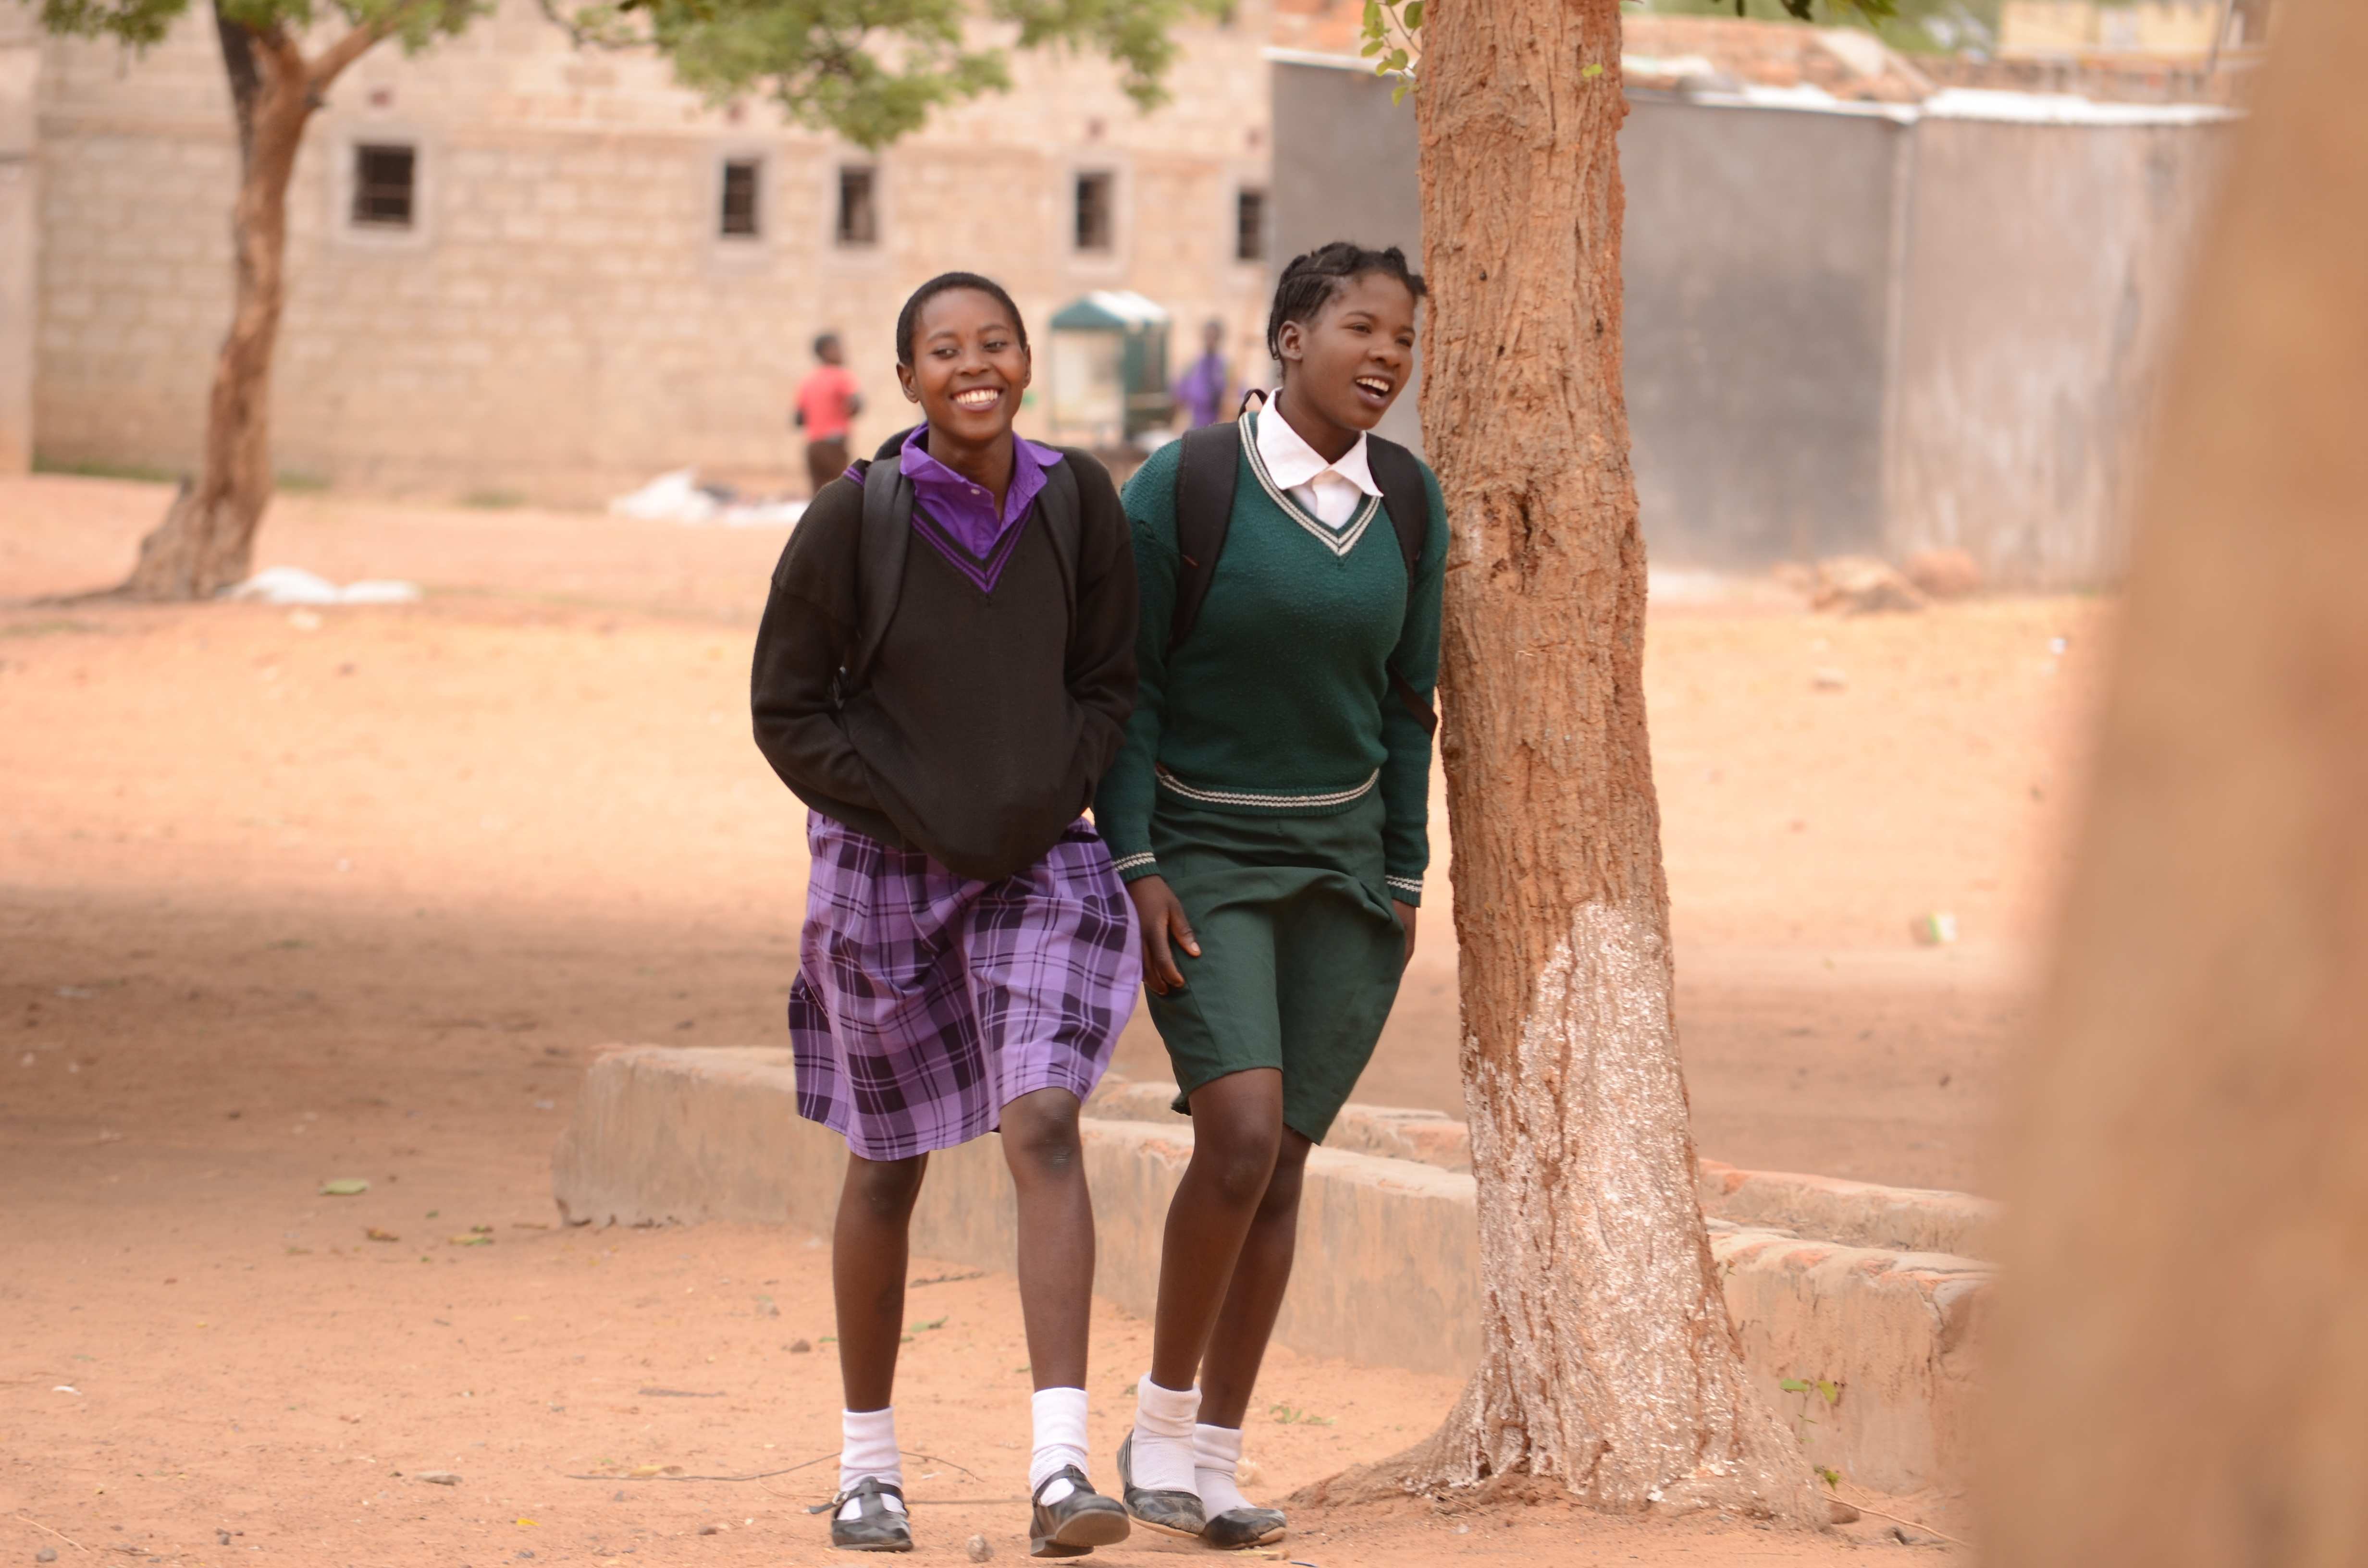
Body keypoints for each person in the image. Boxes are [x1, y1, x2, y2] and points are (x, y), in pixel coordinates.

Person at [751, 273, 1142, 1558]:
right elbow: (789, 709)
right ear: (908, 379)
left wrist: (1048, 786)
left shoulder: (1076, 499)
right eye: (944, 349)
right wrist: (910, 807)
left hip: (1038, 865)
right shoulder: (851, 519)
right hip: (884, 876)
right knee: (888, 1163)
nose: (974, 364)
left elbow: (1107, 676)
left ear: (1027, 363)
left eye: (996, 342)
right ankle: (868, 1468)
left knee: (1043, 1120)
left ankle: (1061, 1470)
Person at [1096, 243, 1443, 1550]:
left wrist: (1405, 871)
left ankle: (1222, 1459)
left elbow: (1410, 702)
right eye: (1362, 328)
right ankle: (1159, 1423)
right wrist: (1135, 864)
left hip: (1345, 873)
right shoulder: (1184, 487)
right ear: (1290, 337)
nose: (1388, 358)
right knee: (1238, 1135)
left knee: (1288, 1161)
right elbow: (1126, 691)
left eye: (1404, 339)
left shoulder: (1408, 501)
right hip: (1203, 864)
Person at [793, 332, 864, 496]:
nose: (842, 352)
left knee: (818, 496)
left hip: (813, 446)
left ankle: (816, 523)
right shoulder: (841, 376)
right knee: (840, 492)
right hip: (834, 444)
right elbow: (858, 403)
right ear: (825, 352)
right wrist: (848, 412)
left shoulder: (808, 381)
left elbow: (798, 419)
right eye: (837, 348)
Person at [1171, 318, 1233, 429]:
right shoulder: (1193, 365)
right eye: (1208, 336)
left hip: (1219, 427)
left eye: (1214, 337)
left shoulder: (1225, 367)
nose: (1210, 341)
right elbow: (1180, 397)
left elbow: (1233, 397)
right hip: (1197, 426)